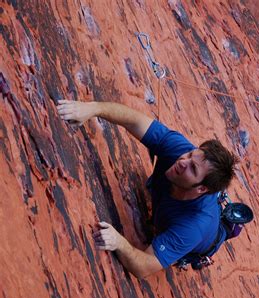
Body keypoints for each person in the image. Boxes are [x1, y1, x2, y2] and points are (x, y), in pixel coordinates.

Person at [56, 100, 238, 278]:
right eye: (191, 155)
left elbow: (144, 267)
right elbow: (134, 120)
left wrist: (119, 243)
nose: (183, 162)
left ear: (201, 189)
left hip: (199, 234)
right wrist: (92, 108)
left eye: (193, 168)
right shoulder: (181, 150)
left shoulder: (193, 226)